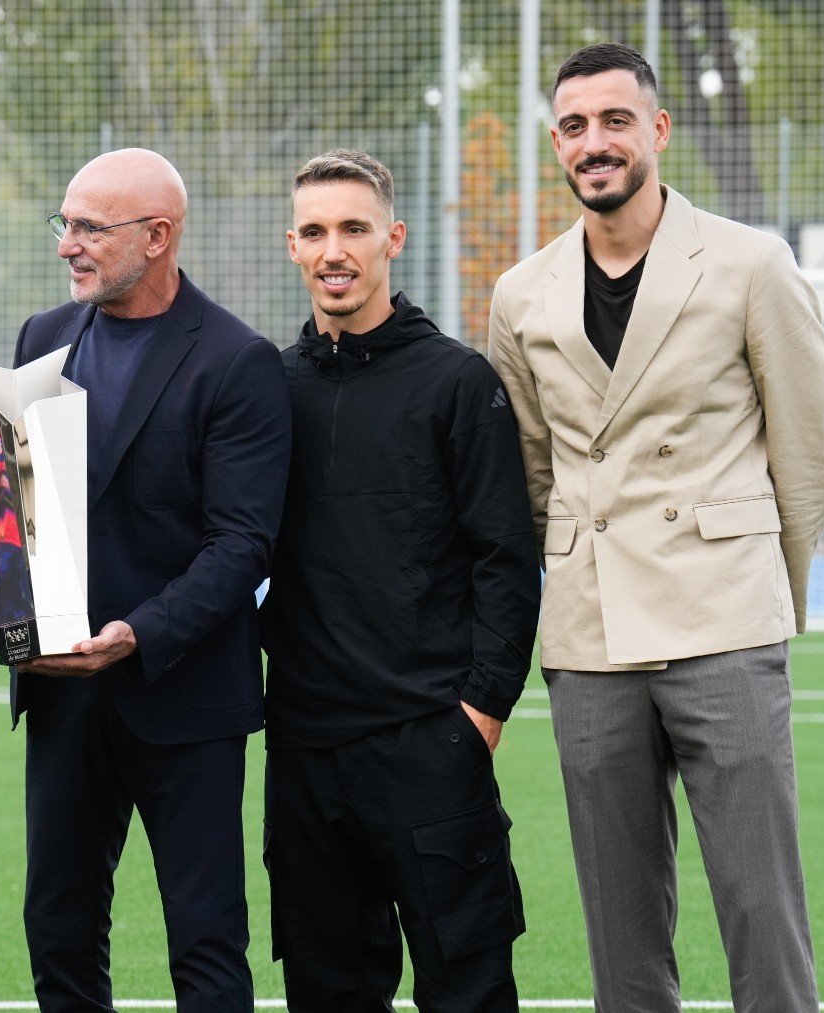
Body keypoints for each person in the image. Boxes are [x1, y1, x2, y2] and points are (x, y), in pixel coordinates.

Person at [487, 43, 824, 1012]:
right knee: (620, 920)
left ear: (657, 130)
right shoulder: (521, 293)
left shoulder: (748, 262)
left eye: (613, 121)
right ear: (555, 142)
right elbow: (528, 466)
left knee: (761, 906)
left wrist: (759, 582)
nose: (593, 143)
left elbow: (809, 445)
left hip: (723, 620)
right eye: (573, 126)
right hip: (590, 633)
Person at [0, 147, 290, 1010]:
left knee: (205, 940)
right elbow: (19, 513)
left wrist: (136, 633)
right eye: (64, 223)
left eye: (88, 228)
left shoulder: (238, 359)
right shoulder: (42, 338)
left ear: (157, 237)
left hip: (183, 694)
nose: (67, 244)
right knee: (60, 929)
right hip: (64, 694)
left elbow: (241, 546)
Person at [258, 149, 538, 1012]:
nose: (333, 249)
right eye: (314, 231)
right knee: (327, 992)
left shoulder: (459, 381)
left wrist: (479, 713)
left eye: (353, 228)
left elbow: (507, 558)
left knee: (470, 990)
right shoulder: (269, 386)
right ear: (293, 247)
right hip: (304, 750)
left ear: (394, 239)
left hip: (431, 742)